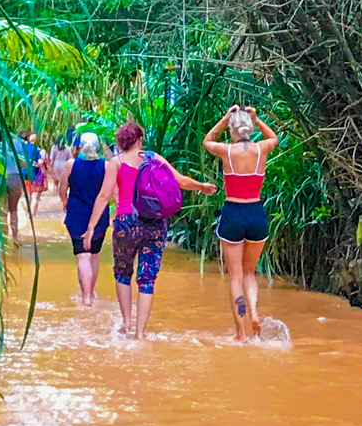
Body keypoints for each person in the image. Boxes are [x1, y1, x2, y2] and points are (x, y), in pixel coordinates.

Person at [84, 119, 217, 340]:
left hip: (126, 222)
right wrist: (202, 187)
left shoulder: (115, 162)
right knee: (147, 279)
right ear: (139, 139)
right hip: (154, 223)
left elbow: (104, 195)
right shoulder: (153, 158)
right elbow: (181, 181)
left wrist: (90, 228)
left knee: (123, 272)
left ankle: (126, 323)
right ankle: (140, 333)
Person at [202, 104, 279, 342]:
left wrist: (225, 118)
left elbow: (207, 140)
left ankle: (241, 334)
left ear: (233, 130)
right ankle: (254, 313)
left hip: (233, 212)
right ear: (249, 128)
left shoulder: (226, 151)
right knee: (249, 272)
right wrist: (257, 119)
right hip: (256, 213)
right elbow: (273, 137)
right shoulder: (262, 148)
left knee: (235, 276)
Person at [64, 132, 112, 305]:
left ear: (79, 146)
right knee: (94, 255)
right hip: (99, 216)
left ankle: (85, 298)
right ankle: (90, 293)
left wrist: (64, 202)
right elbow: (110, 193)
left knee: (82, 256)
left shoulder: (71, 165)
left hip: (77, 215)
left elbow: (63, 190)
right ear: (98, 146)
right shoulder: (106, 166)